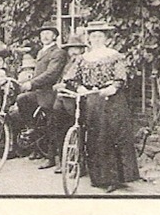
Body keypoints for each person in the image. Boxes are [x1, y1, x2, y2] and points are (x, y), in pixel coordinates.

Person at [67, 20, 141, 192]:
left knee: (113, 135)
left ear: (106, 39)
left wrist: (113, 88)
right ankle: (99, 178)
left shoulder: (115, 56)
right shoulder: (84, 59)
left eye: (100, 36)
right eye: (93, 36)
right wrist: (80, 87)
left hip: (113, 100)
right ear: (89, 39)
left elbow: (121, 77)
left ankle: (116, 179)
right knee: (95, 137)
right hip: (92, 101)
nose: (97, 39)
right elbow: (71, 77)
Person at [15, 22, 67, 169]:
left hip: (50, 93)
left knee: (53, 125)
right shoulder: (41, 52)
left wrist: (32, 83)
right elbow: (40, 72)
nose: (45, 36)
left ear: (55, 36)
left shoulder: (58, 52)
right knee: (22, 99)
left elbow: (51, 74)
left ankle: (54, 159)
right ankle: (32, 128)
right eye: (43, 33)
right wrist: (30, 78)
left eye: (48, 33)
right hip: (39, 92)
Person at [51, 33, 88, 173]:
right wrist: (58, 85)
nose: (73, 51)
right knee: (59, 130)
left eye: (76, 48)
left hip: (75, 101)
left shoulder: (84, 62)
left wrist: (66, 86)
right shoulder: (66, 63)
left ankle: (78, 163)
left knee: (78, 131)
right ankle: (62, 160)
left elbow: (82, 82)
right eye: (71, 48)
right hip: (60, 100)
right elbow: (60, 79)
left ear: (82, 50)